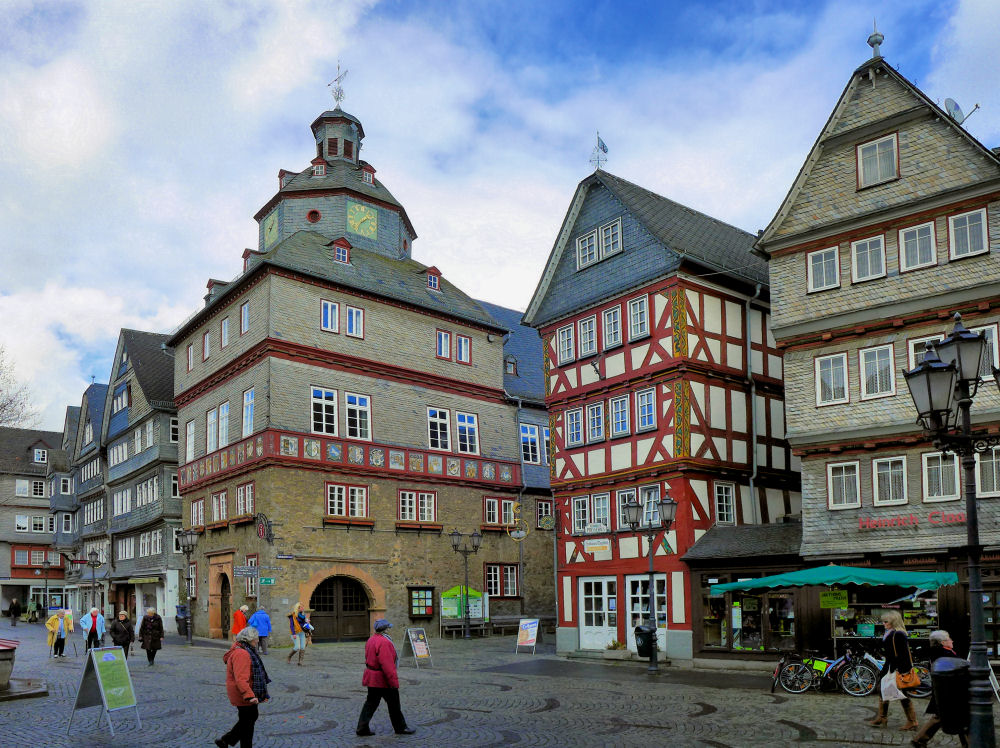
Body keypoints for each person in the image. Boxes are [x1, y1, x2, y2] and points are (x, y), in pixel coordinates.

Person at [355, 618, 416, 736]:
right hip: (382, 679)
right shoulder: (385, 642)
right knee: (394, 705)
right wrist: (393, 682)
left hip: (372, 677)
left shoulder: (371, 640)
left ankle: (362, 727)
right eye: (388, 628)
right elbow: (387, 665)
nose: (389, 629)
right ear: (385, 629)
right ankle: (400, 728)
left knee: (370, 704)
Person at [911, 630, 969, 748]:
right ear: (943, 642)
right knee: (960, 718)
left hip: (943, 692)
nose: (951, 641)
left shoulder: (938, 653)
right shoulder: (946, 655)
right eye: (949, 639)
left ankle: (920, 739)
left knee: (944, 717)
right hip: (949, 692)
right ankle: (919, 739)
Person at [216, 626, 270, 748]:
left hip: (244, 691)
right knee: (248, 722)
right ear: (249, 639)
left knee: (248, 720)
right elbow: (241, 679)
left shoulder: (243, 649)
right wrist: (249, 696)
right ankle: (227, 740)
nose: (257, 641)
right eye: (255, 639)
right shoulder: (242, 653)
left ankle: (227, 740)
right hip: (243, 693)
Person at [869, 610, 919, 731]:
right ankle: (882, 717)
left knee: (902, 695)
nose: (884, 624)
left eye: (886, 622)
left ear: (893, 621)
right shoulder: (890, 633)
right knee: (883, 690)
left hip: (897, 669)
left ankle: (912, 721)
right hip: (891, 667)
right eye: (883, 621)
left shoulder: (898, 634)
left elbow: (903, 655)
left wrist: (902, 670)